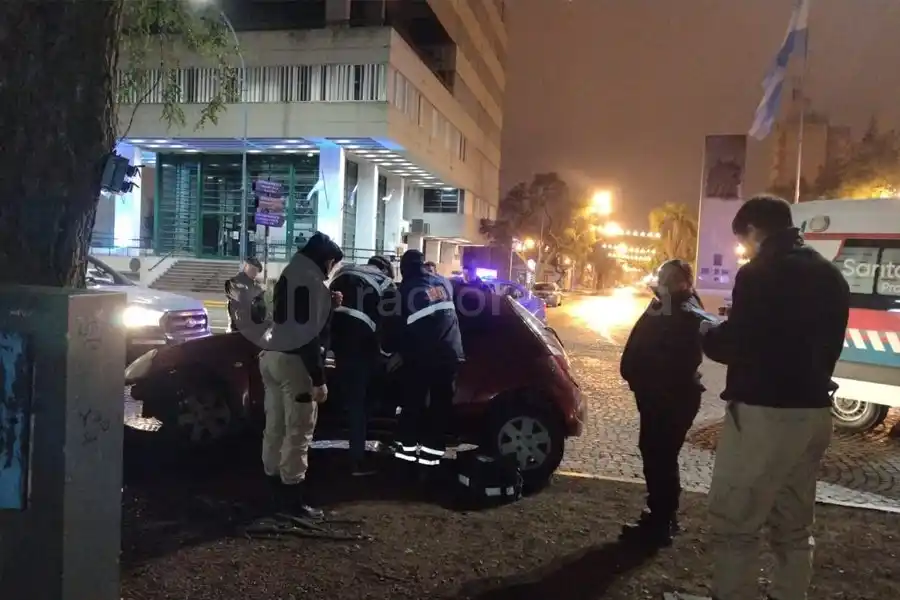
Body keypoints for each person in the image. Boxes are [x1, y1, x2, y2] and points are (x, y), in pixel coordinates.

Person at [700, 195, 849, 600]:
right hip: (814, 410)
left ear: (753, 230)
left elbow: (737, 344)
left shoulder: (760, 273)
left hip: (764, 415)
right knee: (794, 522)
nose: (745, 250)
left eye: (744, 241)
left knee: (736, 521)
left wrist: (708, 333)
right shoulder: (830, 275)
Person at [618, 259, 705, 547]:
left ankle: (662, 521)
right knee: (656, 454)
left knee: (661, 456)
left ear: (682, 281)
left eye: (667, 277)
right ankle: (661, 515)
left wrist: (646, 378)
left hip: (669, 398)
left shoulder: (684, 309)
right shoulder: (669, 302)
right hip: (658, 395)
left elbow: (675, 359)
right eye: (662, 276)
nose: (662, 281)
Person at [258, 231, 344, 516]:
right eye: (333, 265)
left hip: (271, 356)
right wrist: (318, 380)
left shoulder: (288, 275)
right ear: (327, 260)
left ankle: (270, 491)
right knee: (298, 433)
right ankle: (292, 502)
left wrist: (329, 306)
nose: (331, 270)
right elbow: (308, 337)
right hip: (295, 365)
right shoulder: (313, 283)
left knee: (275, 428)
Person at [383, 249, 464, 472]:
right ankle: (431, 462)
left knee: (413, 405)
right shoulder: (443, 283)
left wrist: (392, 351)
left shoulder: (406, 289)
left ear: (405, 269)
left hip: (422, 357)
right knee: (439, 408)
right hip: (450, 355)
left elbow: (397, 328)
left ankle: (406, 461)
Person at [329, 255, 398, 476]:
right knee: (361, 402)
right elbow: (391, 322)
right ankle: (356, 461)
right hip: (361, 342)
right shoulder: (385, 282)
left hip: (336, 337)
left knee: (349, 395)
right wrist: (390, 351)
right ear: (386, 269)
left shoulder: (345, 271)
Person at [225, 257, 264, 333]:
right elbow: (241, 296)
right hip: (236, 330)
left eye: (256, 270)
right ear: (246, 267)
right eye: (252, 269)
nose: (254, 272)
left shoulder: (257, 287)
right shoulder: (233, 282)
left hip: (254, 330)